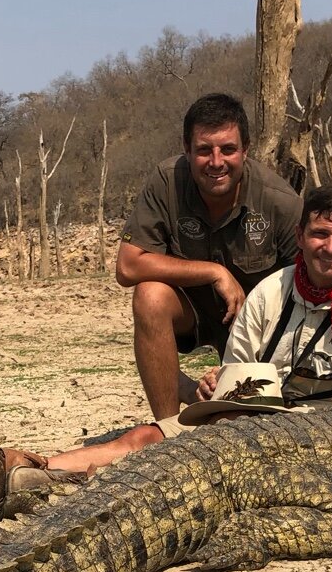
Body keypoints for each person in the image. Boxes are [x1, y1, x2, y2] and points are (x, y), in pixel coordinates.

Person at [0, 182, 332, 515]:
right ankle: (20, 468)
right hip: (256, 419)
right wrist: (215, 388)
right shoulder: (271, 293)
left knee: (167, 470)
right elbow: (240, 382)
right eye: (319, 234)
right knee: (145, 437)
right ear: (301, 235)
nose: (330, 247)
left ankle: (39, 480)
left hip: (327, 434)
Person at [119, 92, 303, 435]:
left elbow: (312, 277)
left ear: (245, 150)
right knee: (150, 295)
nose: (216, 161)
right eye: (204, 150)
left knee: (245, 428)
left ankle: (213, 395)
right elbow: (128, 267)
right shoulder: (166, 181)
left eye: (228, 150)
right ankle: (167, 431)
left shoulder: (279, 201)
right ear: (187, 150)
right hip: (193, 310)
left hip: (254, 325)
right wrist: (214, 272)